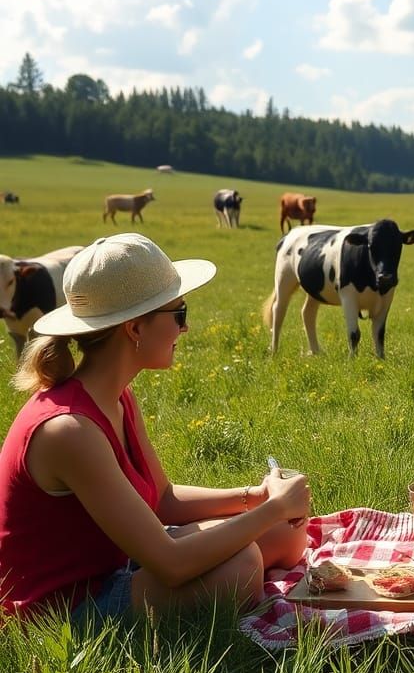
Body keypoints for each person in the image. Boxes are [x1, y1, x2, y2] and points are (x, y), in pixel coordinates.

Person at [0, 233, 310, 621]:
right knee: (243, 564)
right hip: (67, 607)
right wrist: (274, 508)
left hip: (115, 562)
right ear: (134, 329)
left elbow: (162, 500)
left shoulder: (115, 396)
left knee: (287, 533)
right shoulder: (69, 429)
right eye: (179, 314)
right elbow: (172, 564)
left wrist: (258, 497)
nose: (186, 329)